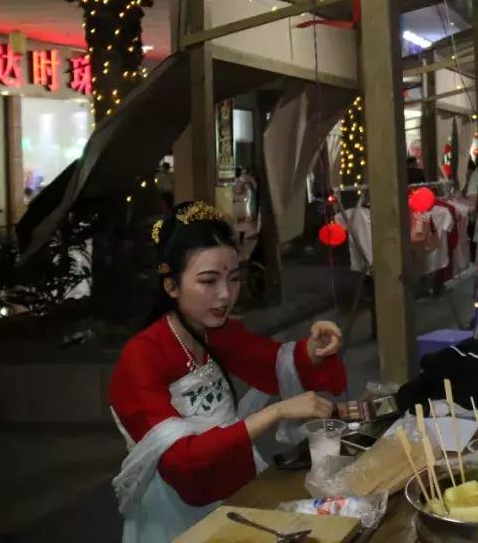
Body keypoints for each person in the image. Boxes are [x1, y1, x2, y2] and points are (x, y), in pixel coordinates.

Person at [109, 202, 346, 542]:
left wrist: (315, 349)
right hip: (175, 504)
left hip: (231, 480)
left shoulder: (213, 332)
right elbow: (181, 461)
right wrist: (276, 411)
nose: (225, 295)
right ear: (171, 286)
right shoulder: (141, 357)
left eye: (233, 279)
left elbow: (272, 362)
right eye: (208, 281)